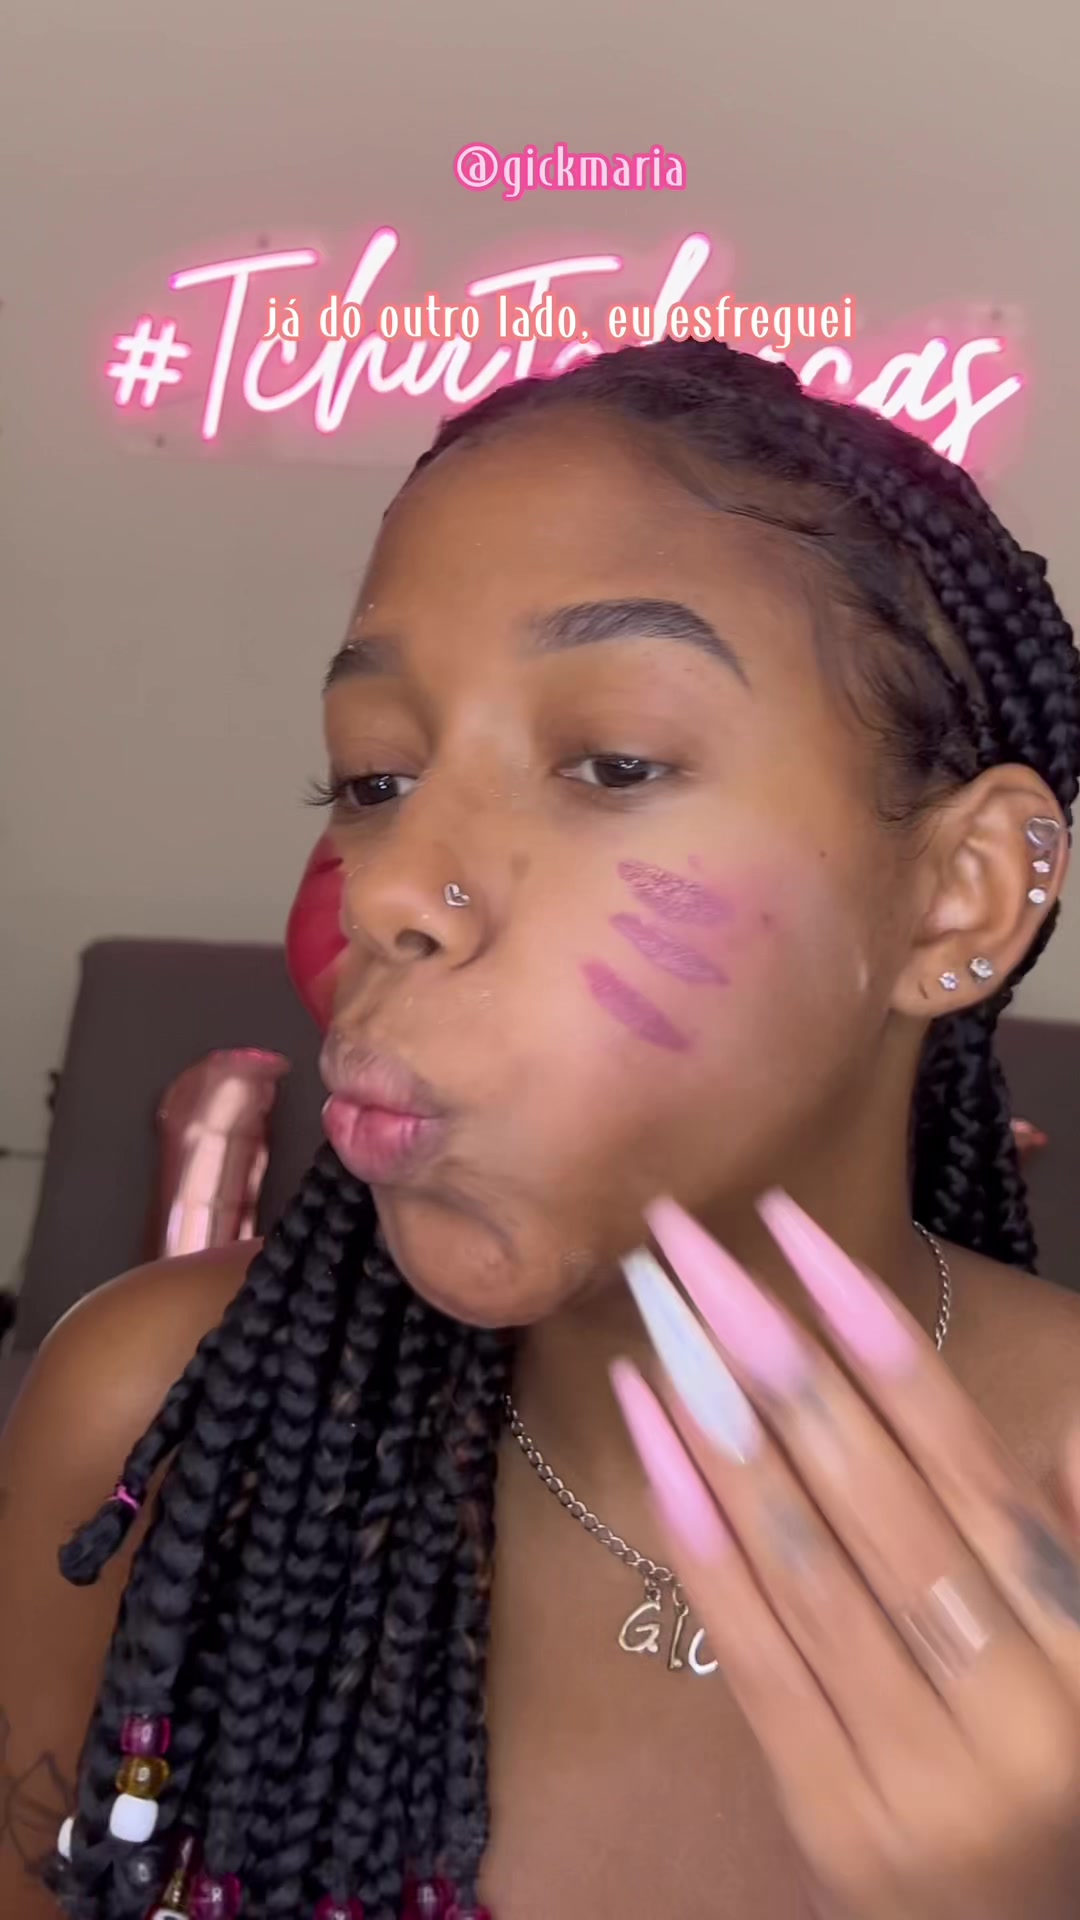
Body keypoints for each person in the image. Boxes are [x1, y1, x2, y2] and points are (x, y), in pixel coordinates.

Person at [2, 337, 1080, 1920]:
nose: (385, 888)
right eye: (373, 778)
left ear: (959, 894)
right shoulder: (150, 1430)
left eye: (612, 763)